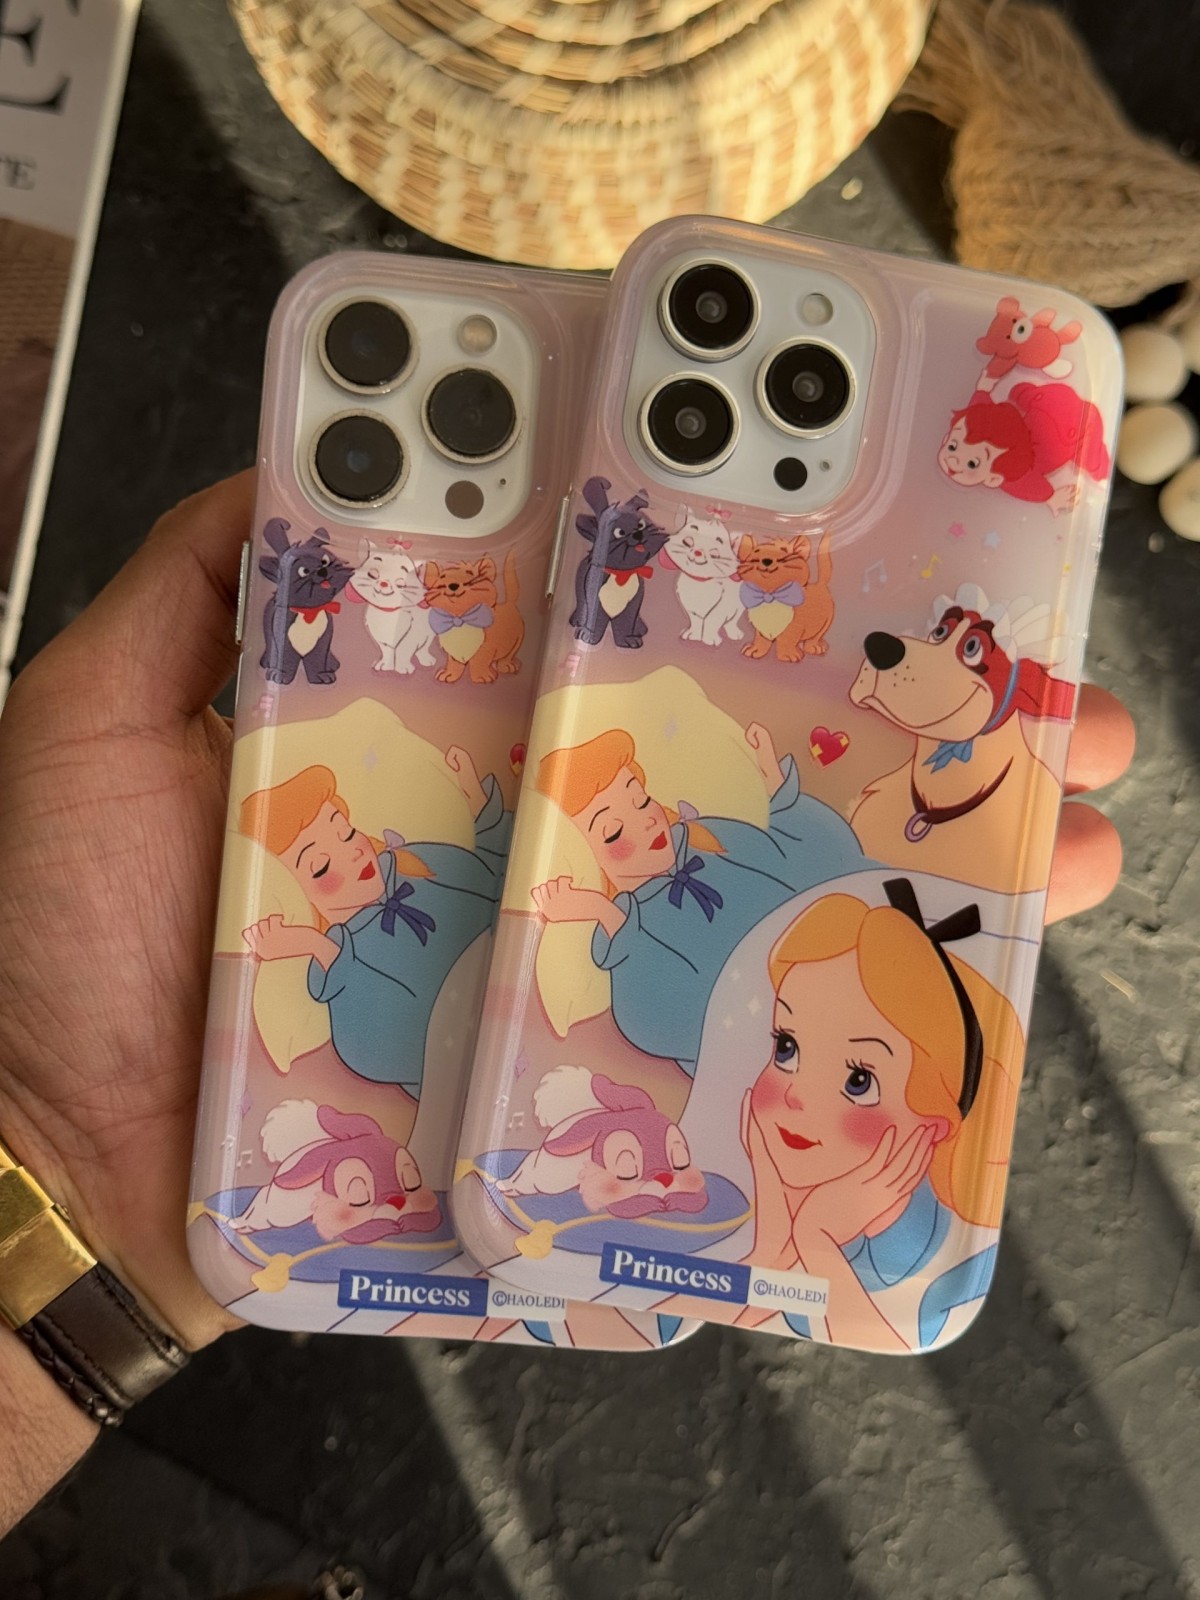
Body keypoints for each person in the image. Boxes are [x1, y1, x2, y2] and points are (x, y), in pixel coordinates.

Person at [0, 474, 1134, 1531]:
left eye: (635, 809)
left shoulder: (728, 854)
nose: (638, 830)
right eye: (325, 857)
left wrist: (769, 793)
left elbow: (797, 874)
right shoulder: (560, 959)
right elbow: (599, 998)